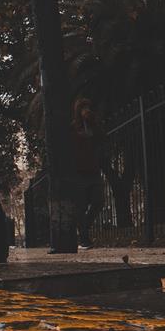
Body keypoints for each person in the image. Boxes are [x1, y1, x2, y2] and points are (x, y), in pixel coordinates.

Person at [71, 98, 104, 248]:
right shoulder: (73, 128)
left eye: (88, 107)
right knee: (81, 207)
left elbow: (101, 141)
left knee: (99, 201)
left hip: (94, 170)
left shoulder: (95, 127)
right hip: (79, 172)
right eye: (83, 107)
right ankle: (84, 238)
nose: (86, 110)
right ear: (78, 111)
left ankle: (84, 229)